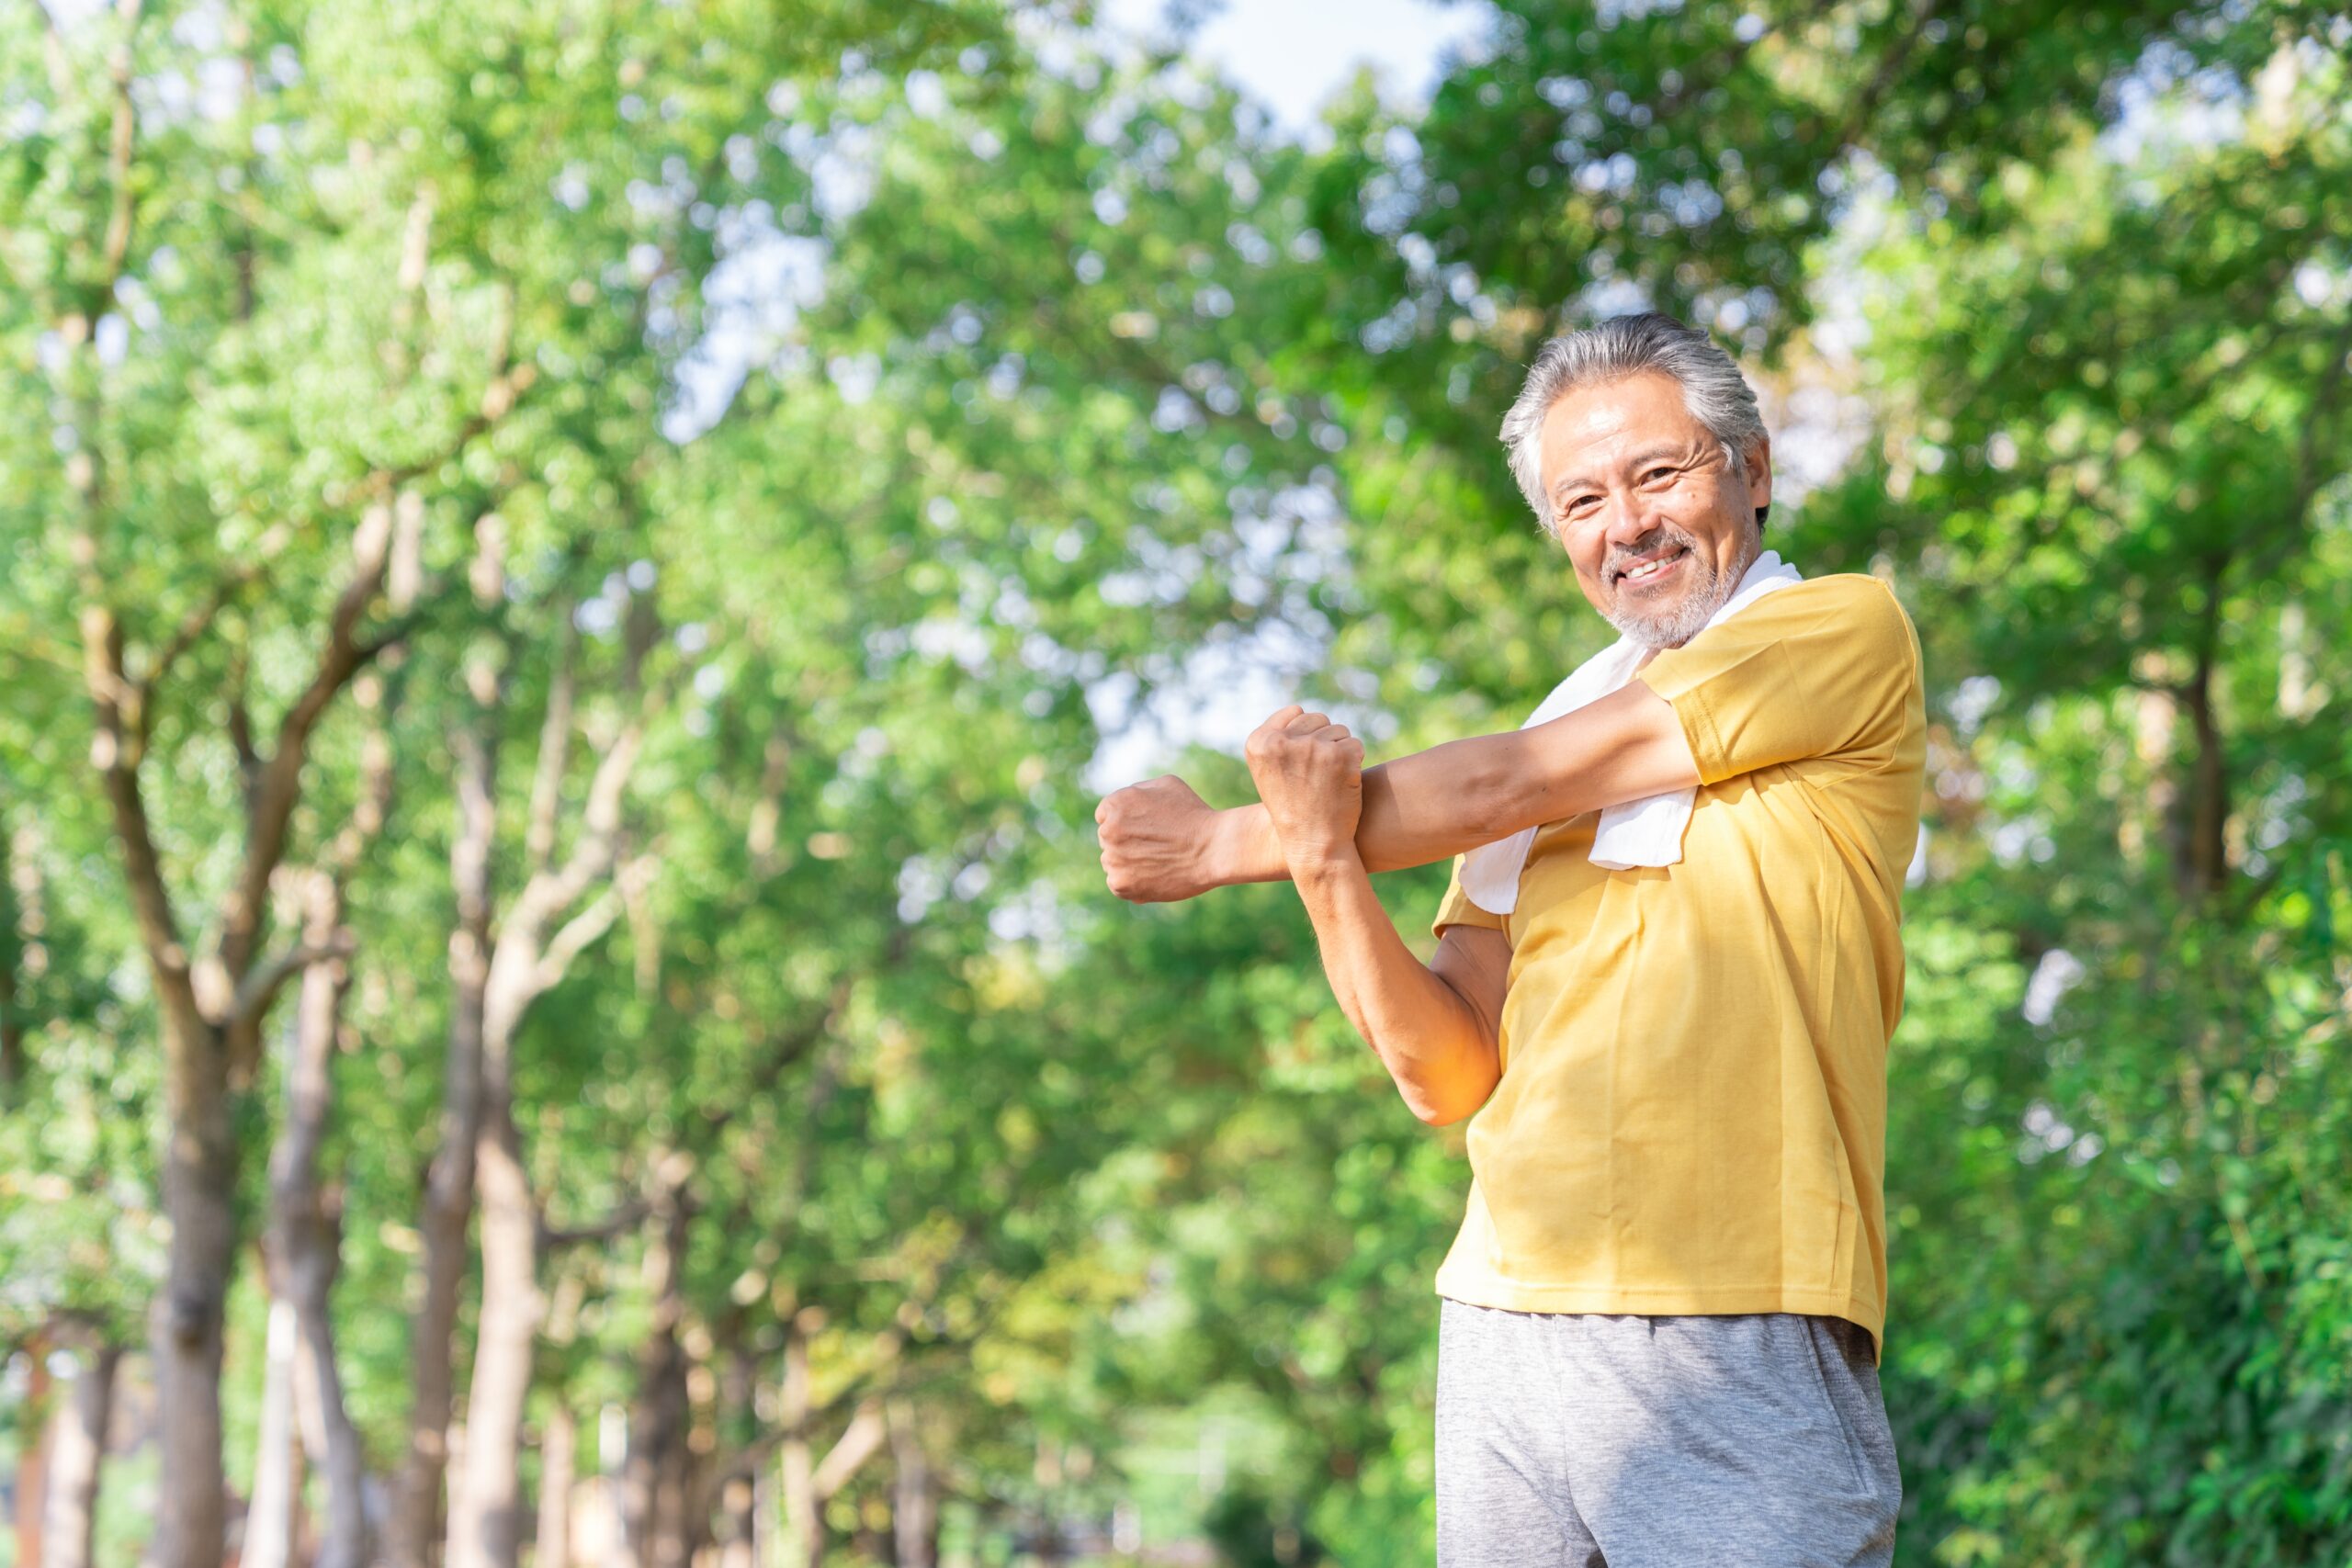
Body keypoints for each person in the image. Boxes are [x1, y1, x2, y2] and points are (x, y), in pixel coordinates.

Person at [1094, 312, 1925, 1565]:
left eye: (1660, 473)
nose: (1627, 524)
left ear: (1751, 473)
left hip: (1732, 1312)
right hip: (1503, 1318)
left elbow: (1514, 783)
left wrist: (1221, 844)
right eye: (1583, 498)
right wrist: (1319, 862)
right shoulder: (1557, 718)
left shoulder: (1838, 632)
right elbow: (1447, 1073)